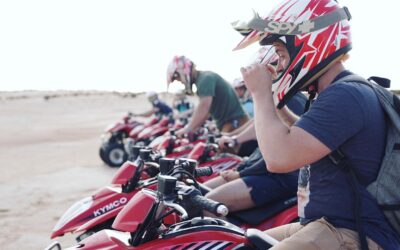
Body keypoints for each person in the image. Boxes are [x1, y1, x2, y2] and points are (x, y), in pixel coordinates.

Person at [233, 0, 400, 249]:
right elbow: (309, 138)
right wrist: (279, 107)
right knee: (232, 240)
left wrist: (261, 94)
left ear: (308, 42)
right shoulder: (342, 90)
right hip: (328, 222)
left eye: (280, 54)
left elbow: (279, 158)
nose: (279, 65)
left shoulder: (345, 95)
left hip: (355, 230)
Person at [166, 56, 249, 136]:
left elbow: (204, 107)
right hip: (230, 122)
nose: (180, 81)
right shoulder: (202, 79)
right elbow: (208, 110)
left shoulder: (205, 79)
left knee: (223, 148)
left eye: (178, 78)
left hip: (235, 123)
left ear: (183, 71)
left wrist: (188, 128)